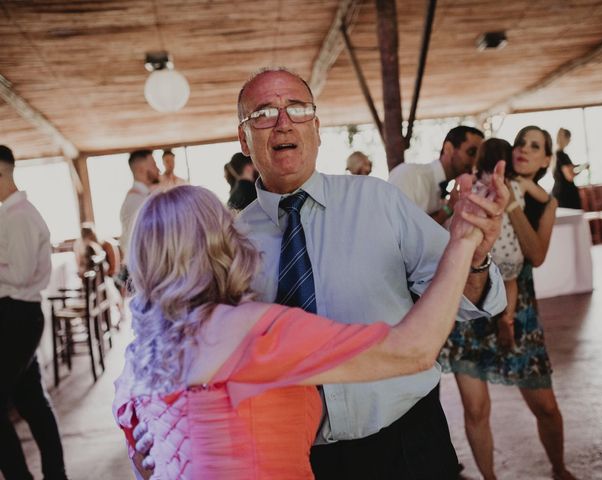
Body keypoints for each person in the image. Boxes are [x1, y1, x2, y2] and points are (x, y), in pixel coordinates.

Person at [128, 67, 508, 479]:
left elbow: (468, 302)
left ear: (317, 126)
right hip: (299, 459)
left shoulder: (379, 200)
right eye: (263, 114)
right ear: (244, 139)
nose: (283, 122)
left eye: (297, 108)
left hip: (406, 440)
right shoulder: (230, 245)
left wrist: (473, 256)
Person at [114, 180, 497, 478]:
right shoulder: (252, 332)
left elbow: (145, 464)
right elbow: (414, 349)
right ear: (222, 244)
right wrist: (462, 243)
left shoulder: (138, 360)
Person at [439, 126, 576, 480]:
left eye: (535, 146)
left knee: (544, 405)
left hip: (519, 311)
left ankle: (559, 469)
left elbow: (536, 253)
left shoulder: (543, 201)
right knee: (476, 407)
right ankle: (490, 478)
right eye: (520, 143)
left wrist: (511, 203)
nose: (524, 150)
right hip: (468, 308)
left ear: (547, 158)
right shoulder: (480, 185)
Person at [0, 145, 69, 480]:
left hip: (17, 315)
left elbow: (21, 274)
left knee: (30, 405)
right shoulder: (10, 214)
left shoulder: (21, 216)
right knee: (31, 403)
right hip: (15, 314)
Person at [474, 138, 550, 347]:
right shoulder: (516, 183)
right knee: (510, 282)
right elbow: (545, 198)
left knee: (483, 283)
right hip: (510, 250)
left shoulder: (477, 184)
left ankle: (484, 315)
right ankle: (507, 318)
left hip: (486, 248)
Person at [389, 126, 484, 224]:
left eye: (479, 156)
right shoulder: (409, 175)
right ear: (448, 148)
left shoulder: (450, 189)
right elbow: (398, 230)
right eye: (471, 152)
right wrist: (448, 209)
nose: (476, 161)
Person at [119, 149, 160, 265]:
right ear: (140, 169)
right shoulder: (137, 202)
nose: (158, 169)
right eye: (154, 165)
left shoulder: (143, 198)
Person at [551, 128, 589, 209]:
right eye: (569, 138)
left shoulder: (555, 155)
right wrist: (583, 168)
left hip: (558, 192)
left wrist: (581, 166)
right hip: (566, 194)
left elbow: (570, 167)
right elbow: (570, 176)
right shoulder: (562, 155)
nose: (570, 141)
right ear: (565, 139)